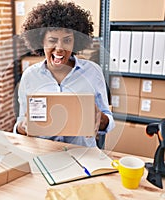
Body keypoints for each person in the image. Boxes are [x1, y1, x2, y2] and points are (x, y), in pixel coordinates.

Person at [13, 0, 114, 147]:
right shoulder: (29, 76)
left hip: (83, 156)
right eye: (52, 40)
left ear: (75, 42)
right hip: (44, 155)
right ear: (41, 42)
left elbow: (108, 121)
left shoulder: (93, 72)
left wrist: (102, 119)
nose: (60, 48)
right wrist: (23, 127)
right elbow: (20, 123)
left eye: (67, 40)